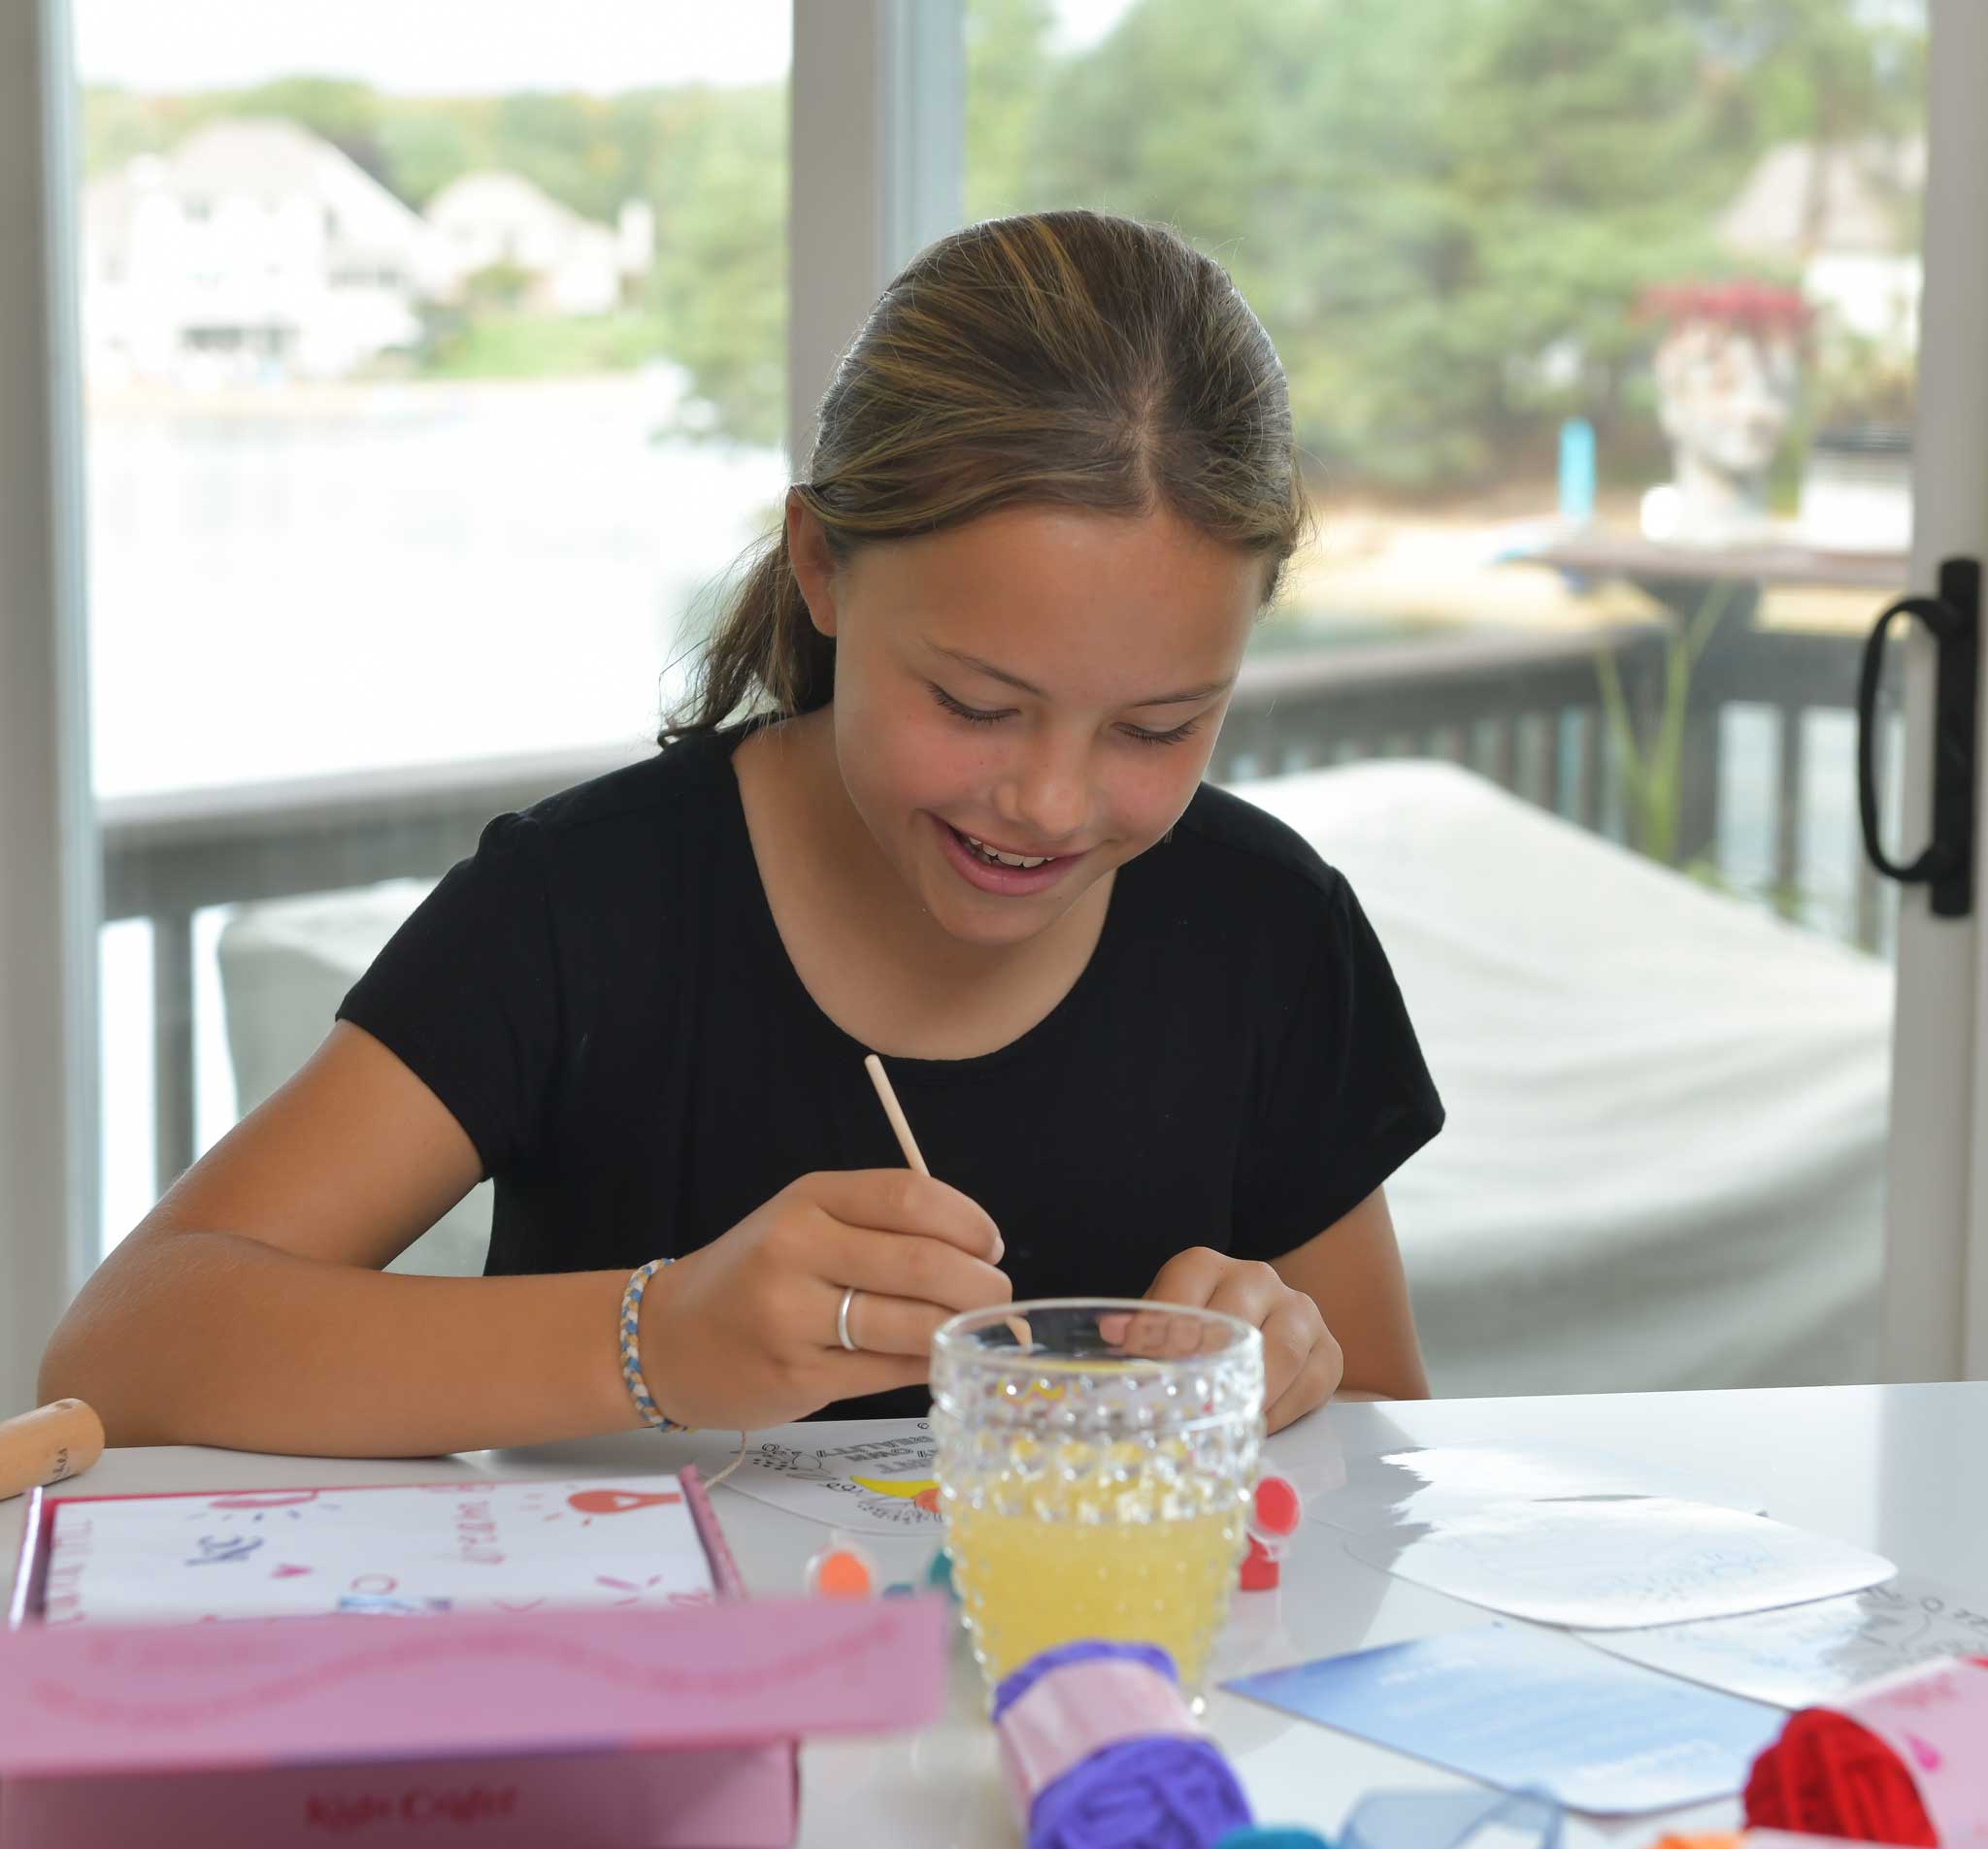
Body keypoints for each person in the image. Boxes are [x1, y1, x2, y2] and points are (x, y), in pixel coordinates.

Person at [41, 211, 1443, 1459]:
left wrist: (1282, 1367)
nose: (1051, 802)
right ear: (822, 566)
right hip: (636, 1723)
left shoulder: (1264, 931)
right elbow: (124, 1345)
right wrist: (654, 1343)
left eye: (1155, 729)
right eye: (975, 702)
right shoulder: (585, 911)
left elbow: (1386, 1447)